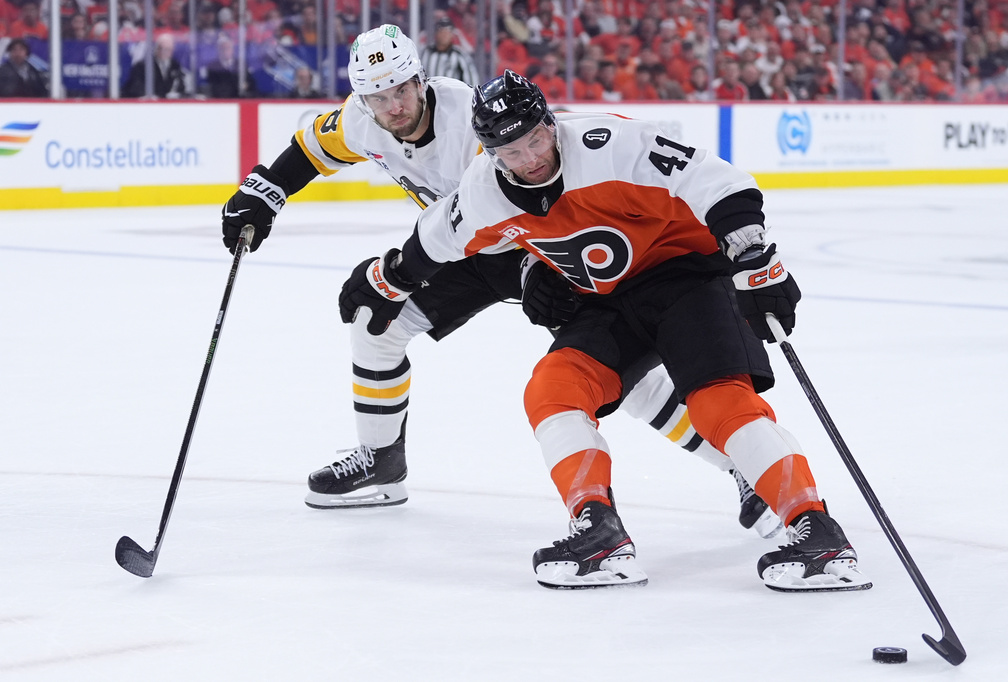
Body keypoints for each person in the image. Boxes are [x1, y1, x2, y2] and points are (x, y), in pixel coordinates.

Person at [220, 25, 780, 539]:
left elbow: (537, 194)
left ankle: (745, 466)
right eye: (379, 96)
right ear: (362, 98)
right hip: (459, 249)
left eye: (403, 89)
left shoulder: (470, 120)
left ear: (421, 79)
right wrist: (263, 192)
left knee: (620, 376)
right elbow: (310, 150)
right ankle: (382, 462)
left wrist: (537, 268)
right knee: (376, 322)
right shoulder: (361, 119)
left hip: (537, 244)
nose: (394, 106)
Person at [336, 70, 871, 592]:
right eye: (512, 152)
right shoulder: (482, 191)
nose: (531, 158)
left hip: (689, 277)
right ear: (491, 154)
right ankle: (599, 533)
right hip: (610, 300)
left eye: (536, 139)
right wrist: (385, 280)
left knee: (717, 403)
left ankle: (816, 530)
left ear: (550, 123)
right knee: (553, 390)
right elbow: (431, 243)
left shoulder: (609, 143)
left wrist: (754, 258)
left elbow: (718, 181)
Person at [420, 15, 479, 86]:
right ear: (436, 33)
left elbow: (471, 80)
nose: (444, 35)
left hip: (452, 92)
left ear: (452, 35)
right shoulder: (425, 53)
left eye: (447, 32)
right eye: (441, 31)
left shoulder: (460, 55)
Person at [124, 33, 189, 98]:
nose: (163, 52)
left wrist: (176, 94)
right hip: (149, 102)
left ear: (172, 50)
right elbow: (136, 86)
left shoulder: (176, 66)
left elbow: (181, 86)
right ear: (156, 48)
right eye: (161, 48)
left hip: (169, 102)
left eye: (167, 49)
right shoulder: (143, 66)